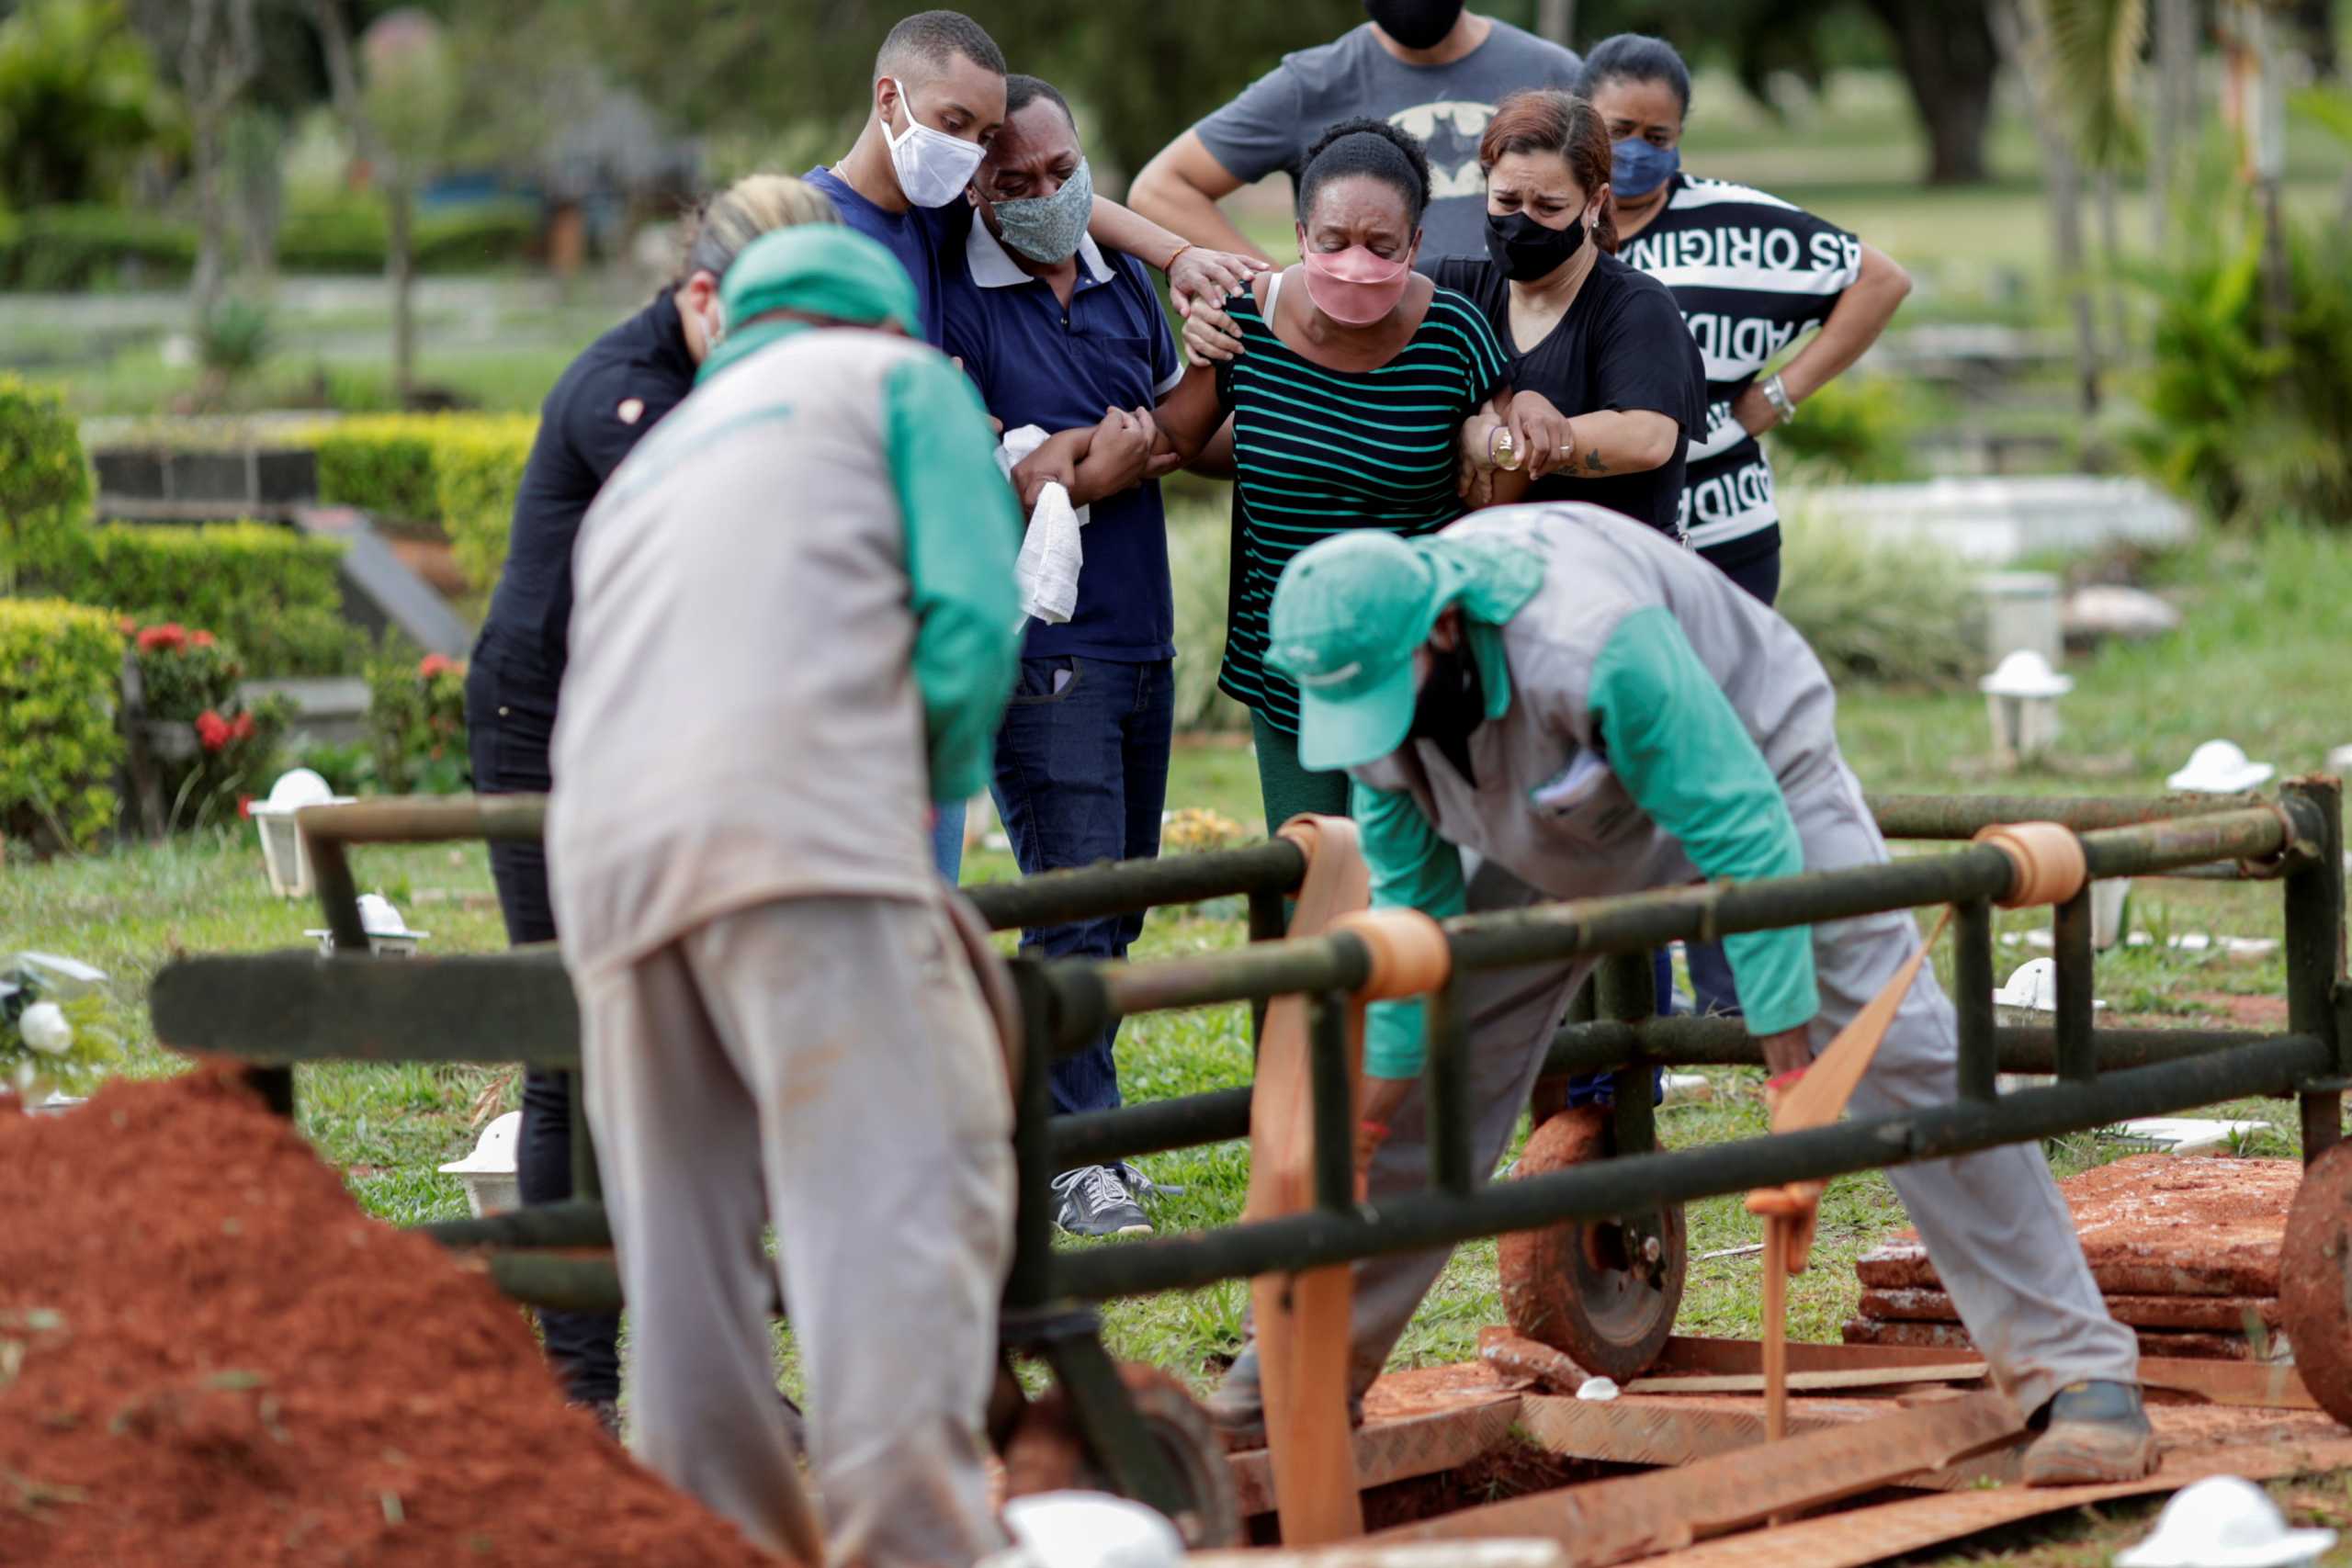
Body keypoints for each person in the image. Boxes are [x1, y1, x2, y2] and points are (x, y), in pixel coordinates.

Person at [1209, 503, 2156, 1488]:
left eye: (1380, 695)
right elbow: (1420, 945)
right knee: (1428, 1078)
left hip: (1749, 768)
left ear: (1442, 627)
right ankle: (1297, 1370)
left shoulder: (1591, 643)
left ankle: (2078, 1377)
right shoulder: (1384, 717)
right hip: (1536, 808)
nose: (1372, 725)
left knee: (1904, 1051)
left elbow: (1749, 849)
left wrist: (1797, 1090)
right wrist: (1361, 1135)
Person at [548, 225, 1023, 1566]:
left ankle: (710, 1539)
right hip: (800, 837)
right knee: (877, 1207)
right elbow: (974, 625)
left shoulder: (657, 458)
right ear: (878, 320)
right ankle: (909, 1543)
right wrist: (910, 813)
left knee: (686, 1260)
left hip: (611, 872)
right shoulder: (897, 386)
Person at [462, 172, 834, 1428]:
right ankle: (577, 1389)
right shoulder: (630, 396)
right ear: (701, 297)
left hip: (669, 726)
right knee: (578, 1043)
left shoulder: (742, 378)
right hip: (548, 733)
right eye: (776, 318)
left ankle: (713, 1376)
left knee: (697, 1043)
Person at [806, 8, 1261, 877]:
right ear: (888, 98)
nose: (975, 155)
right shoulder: (823, 228)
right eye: (957, 128)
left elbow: (1070, 206)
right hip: (867, 622)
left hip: (943, 631)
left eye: (981, 137)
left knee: (955, 907)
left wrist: (1176, 256)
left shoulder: (930, 212)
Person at [940, 75, 1188, 1239]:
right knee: (1072, 905)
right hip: (1043, 654)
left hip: (1142, 630)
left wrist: (1097, 454)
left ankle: (1082, 1135)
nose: (1045, 196)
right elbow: (1016, 477)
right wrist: (1097, 456)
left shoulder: (1117, 276)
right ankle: (1065, 1156)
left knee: (1120, 901)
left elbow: (1173, 432)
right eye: (1014, 183)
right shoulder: (957, 303)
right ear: (976, 193)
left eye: (1058, 173)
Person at [1144, 118, 1511, 831]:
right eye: (1334, 241)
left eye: (1381, 247)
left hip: (1420, 664)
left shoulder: (1457, 334)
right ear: (1301, 234)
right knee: (1307, 880)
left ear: (1416, 245)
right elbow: (1170, 440)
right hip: (1288, 663)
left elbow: (1498, 493)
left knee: (1410, 893)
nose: (1354, 262)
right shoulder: (1243, 321)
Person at [1582, 34, 1913, 606]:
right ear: (1583, 120)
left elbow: (1881, 279)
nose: (1637, 149)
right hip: (1592, 532)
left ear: (1680, 136)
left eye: (1657, 136)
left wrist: (1782, 393)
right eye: (1618, 130)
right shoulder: (1547, 221)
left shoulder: (1740, 224)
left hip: (1724, 531)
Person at [1131, 1, 1583, 267]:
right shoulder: (1312, 83)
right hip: (1372, 376)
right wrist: (1276, 287)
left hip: (1525, 367)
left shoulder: (1554, 73)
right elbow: (1161, 188)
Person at [1439, 89, 1706, 537]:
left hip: (1612, 579)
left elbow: (1645, 439)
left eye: (1548, 207)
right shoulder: (1450, 287)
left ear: (1595, 204)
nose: (1522, 223)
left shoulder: (1636, 306)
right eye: (1506, 201)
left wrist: (1495, 444)